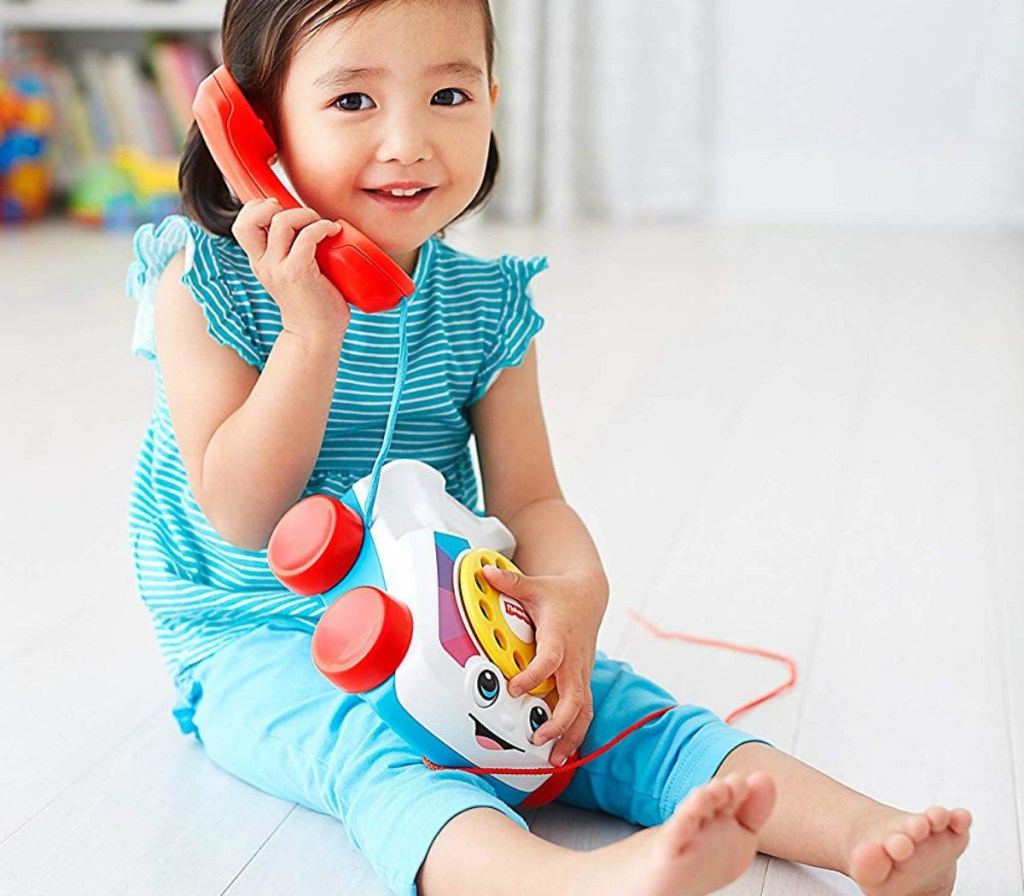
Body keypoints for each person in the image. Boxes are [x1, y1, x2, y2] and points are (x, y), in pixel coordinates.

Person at [126, 1, 972, 894]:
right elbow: (240, 511)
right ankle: (567, 882)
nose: (409, 141)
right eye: (353, 103)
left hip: (440, 608)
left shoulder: (486, 306)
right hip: (258, 636)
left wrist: (574, 594)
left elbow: (531, 502)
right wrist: (311, 335)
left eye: (449, 94)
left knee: (616, 711)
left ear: (493, 98)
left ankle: (863, 836)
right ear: (252, 129)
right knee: (374, 757)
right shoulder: (206, 279)